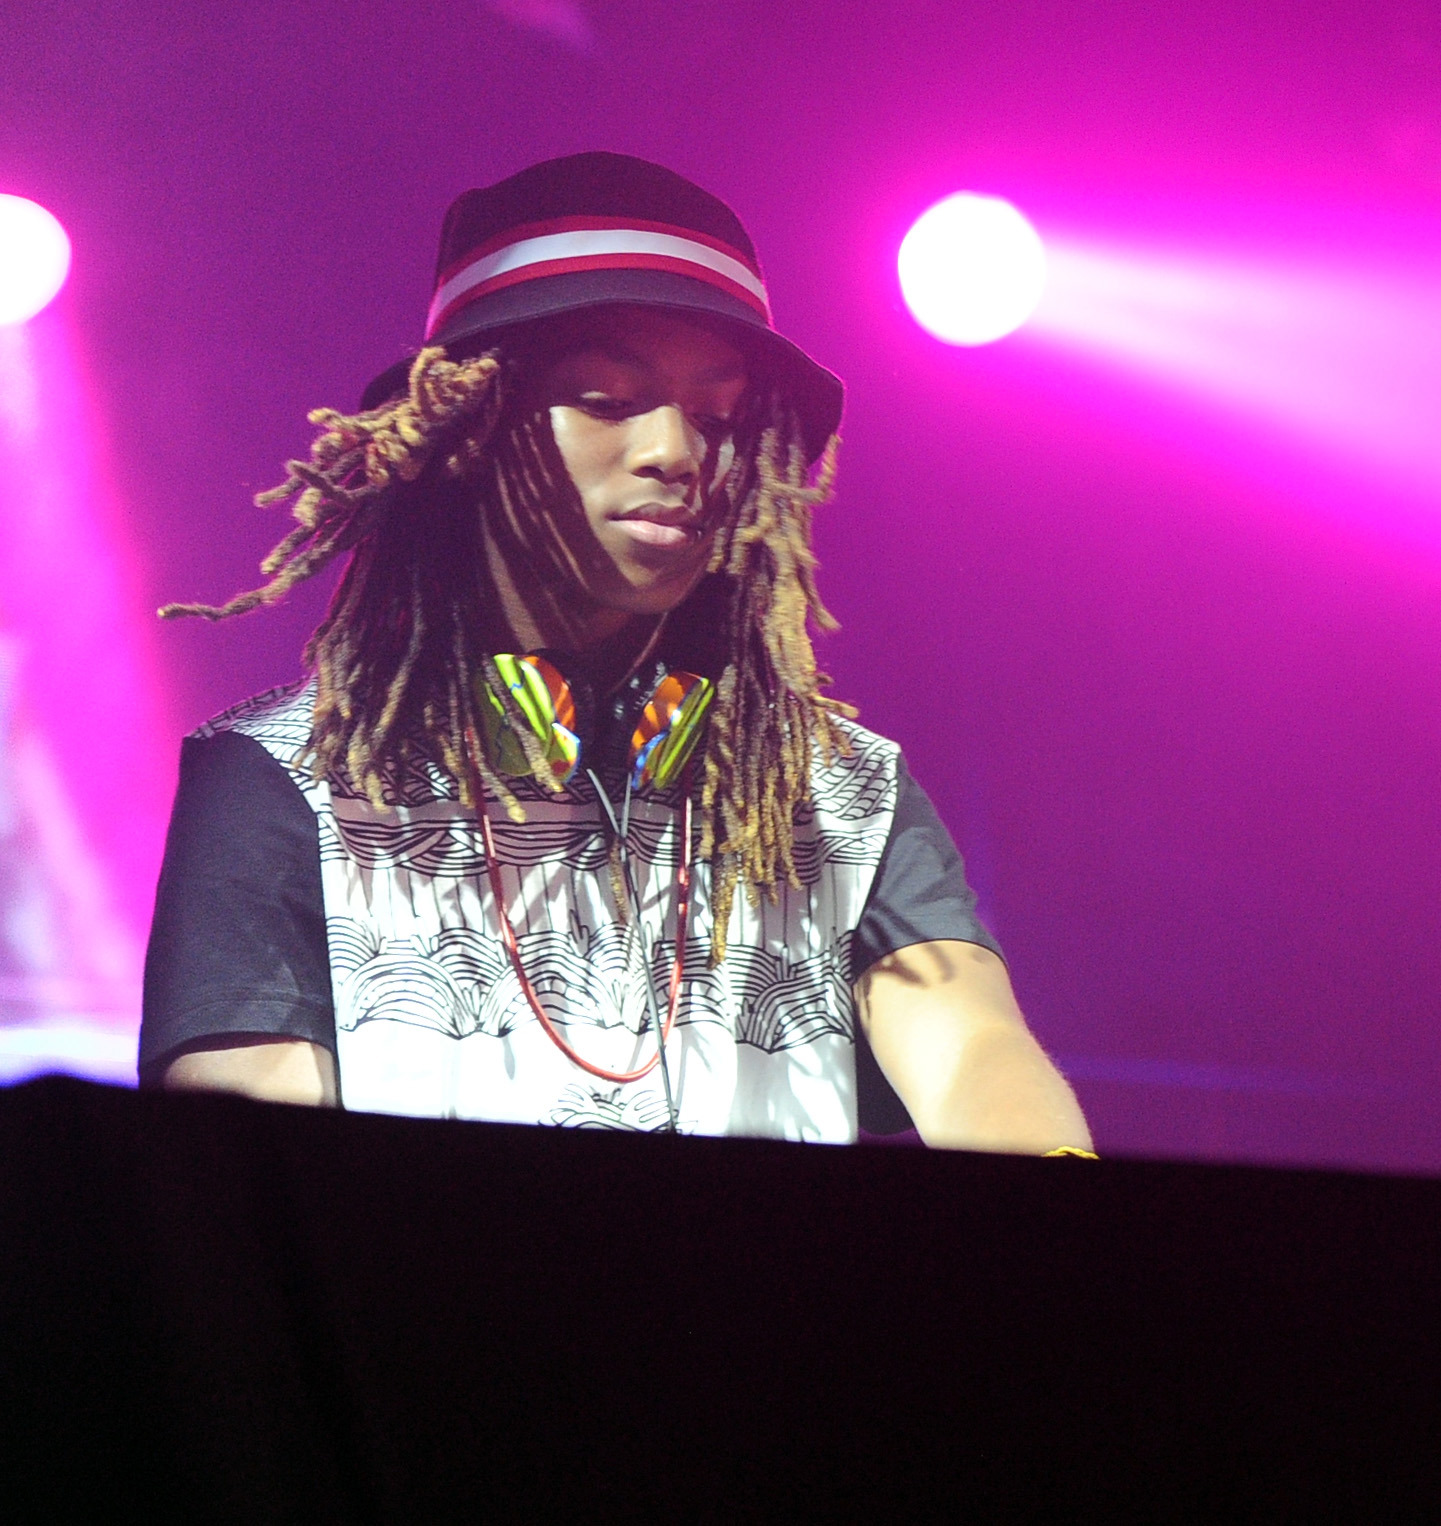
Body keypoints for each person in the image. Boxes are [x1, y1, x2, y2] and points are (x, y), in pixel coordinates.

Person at [140, 152, 1092, 1151]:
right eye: (604, 399)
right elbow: (248, 1175)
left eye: (718, 416)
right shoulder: (281, 778)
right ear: (470, 428)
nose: (677, 452)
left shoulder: (840, 791)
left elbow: (978, 1052)